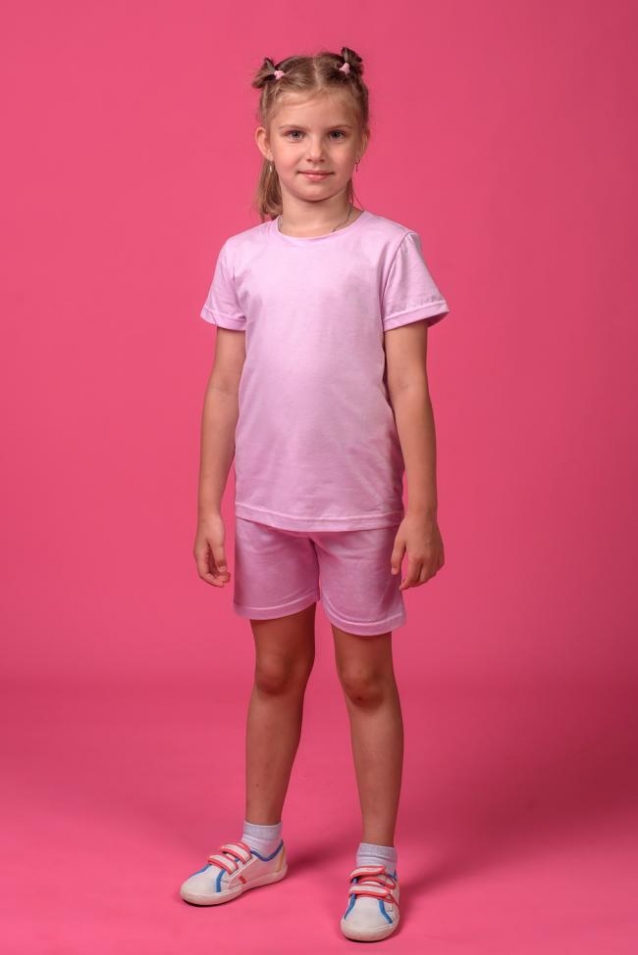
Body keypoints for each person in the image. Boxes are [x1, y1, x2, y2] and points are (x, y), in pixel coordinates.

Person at [179, 45, 450, 943]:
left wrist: (422, 509)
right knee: (274, 672)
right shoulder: (242, 256)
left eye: (335, 134)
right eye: (296, 134)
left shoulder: (388, 249)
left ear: (362, 139)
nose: (315, 152)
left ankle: (377, 859)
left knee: (365, 678)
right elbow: (224, 386)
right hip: (266, 505)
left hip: (361, 506)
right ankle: (261, 842)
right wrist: (209, 503)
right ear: (264, 140)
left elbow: (409, 385)